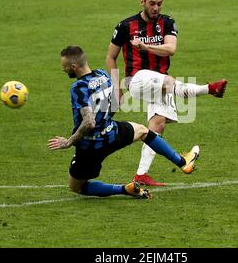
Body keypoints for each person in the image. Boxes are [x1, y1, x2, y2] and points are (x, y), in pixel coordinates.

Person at [106, 0, 227, 186]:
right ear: (142, 2)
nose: (156, 8)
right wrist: (116, 87)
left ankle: (140, 175)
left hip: (159, 81)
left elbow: (170, 49)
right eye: (152, 3)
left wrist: (145, 46)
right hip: (136, 79)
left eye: (159, 4)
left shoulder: (168, 23)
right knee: (170, 82)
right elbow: (111, 57)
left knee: (157, 125)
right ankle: (210, 89)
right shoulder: (125, 26)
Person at [47, 46, 200, 199]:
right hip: (111, 133)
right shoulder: (103, 75)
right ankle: (182, 162)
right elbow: (116, 103)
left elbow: (89, 123)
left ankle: (123, 189)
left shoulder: (78, 87)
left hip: (90, 147)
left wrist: (68, 142)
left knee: (77, 187)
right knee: (143, 131)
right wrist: (105, 120)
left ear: (74, 66)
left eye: (65, 68)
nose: (64, 70)